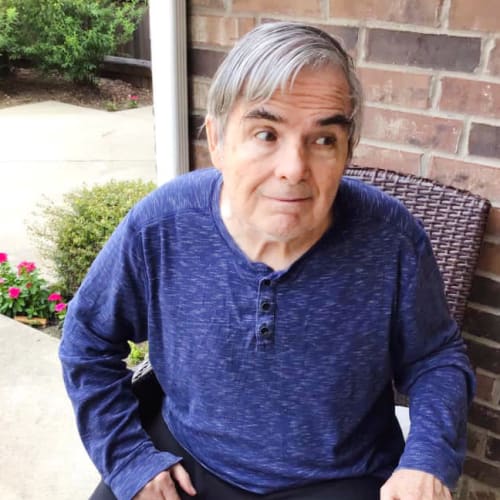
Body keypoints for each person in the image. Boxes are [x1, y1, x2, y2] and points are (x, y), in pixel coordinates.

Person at [60, 22, 474, 500]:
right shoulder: (162, 225)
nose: (294, 169)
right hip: (188, 459)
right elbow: (87, 340)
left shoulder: (391, 239)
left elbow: (436, 357)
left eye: (323, 140)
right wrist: (129, 458)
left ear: (346, 152)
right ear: (217, 141)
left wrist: (427, 457)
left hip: (340, 477)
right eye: (265, 133)